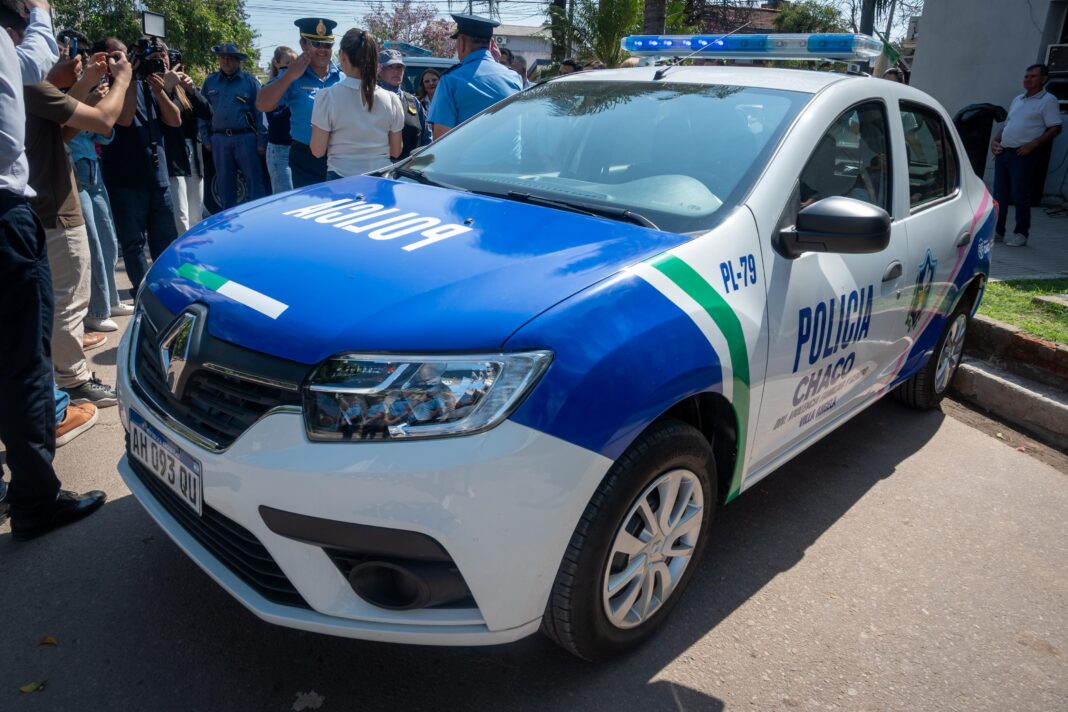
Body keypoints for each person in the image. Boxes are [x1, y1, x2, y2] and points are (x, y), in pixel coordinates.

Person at [0, 0, 107, 540]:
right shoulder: (11, 48)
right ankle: (35, 502)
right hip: (6, 215)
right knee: (24, 364)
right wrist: (41, 8)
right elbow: (36, 60)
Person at [96, 36, 182, 290]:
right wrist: (129, 79)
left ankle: (167, 291)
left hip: (158, 177)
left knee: (166, 243)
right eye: (118, 56)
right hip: (126, 180)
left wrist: (159, 91)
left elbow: (175, 120)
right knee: (134, 244)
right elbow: (124, 119)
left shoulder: (149, 85)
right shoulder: (107, 89)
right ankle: (142, 295)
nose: (125, 61)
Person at [67, 48, 128, 333]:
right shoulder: (62, 92)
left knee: (107, 238)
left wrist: (100, 105)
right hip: (75, 169)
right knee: (91, 242)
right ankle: (96, 310)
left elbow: (105, 133)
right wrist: (90, 103)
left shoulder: (84, 88)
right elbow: (67, 132)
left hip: (93, 168)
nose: (80, 64)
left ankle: (111, 300)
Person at [256, 18, 342, 188]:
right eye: (316, 44)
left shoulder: (342, 76)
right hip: (306, 160)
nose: (322, 50)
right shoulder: (293, 75)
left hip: (340, 156)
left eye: (327, 45)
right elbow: (262, 104)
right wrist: (290, 76)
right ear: (303, 44)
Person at [310, 29, 403, 179]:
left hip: (340, 179)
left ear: (342, 55)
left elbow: (317, 150)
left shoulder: (327, 96)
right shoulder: (392, 99)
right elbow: (396, 151)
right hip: (381, 178)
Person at [992, 63, 1063, 247]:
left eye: (1033, 76)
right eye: (1026, 76)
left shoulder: (1048, 100)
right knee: (999, 195)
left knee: (1020, 195)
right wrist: (995, 141)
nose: (1028, 79)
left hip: (1022, 154)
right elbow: (1008, 124)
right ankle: (998, 231)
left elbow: (1055, 127)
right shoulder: (1018, 99)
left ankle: (1021, 233)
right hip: (1003, 152)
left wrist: (1033, 144)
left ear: (1044, 79)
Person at [427, 14, 522, 140]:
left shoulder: (450, 81)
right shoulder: (515, 78)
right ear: (491, 44)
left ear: (461, 42)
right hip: (509, 154)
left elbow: (441, 139)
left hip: (467, 154)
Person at [201, 42, 266, 210]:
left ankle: (258, 217)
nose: (226, 61)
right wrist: (206, 138)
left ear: (238, 61)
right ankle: (228, 221)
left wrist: (261, 141)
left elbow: (260, 112)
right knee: (224, 185)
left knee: (254, 183)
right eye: (222, 58)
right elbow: (201, 112)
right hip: (219, 140)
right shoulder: (210, 83)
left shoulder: (250, 82)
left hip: (245, 138)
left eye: (230, 58)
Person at [162, 50, 211, 232]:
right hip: (174, 154)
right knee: (181, 215)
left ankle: (195, 247)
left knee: (196, 213)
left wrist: (191, 89)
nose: (177, 70)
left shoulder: (185, 89)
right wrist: (167, 87)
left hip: (193, 153)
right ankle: (181, 248)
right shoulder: (157, 88)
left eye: (179, 66)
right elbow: (167, 118)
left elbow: (208, 112)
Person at [377, 49, 430, 160]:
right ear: (380, 71)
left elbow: (427, 138)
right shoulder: (372, 99)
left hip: (410, 167)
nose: (396, 71)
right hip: (380, 166)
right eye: (390, 67)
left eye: (399, 67)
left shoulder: (413, 101)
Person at [265, 46, 297, 193]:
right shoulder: (270, 87)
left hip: (298, 149)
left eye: (295, 63)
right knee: (284, 197)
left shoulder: (298, 87)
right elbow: (274, 119)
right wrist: (294, 108)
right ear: (276, 63)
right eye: (288, 63)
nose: (292, 67)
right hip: (280, 150)